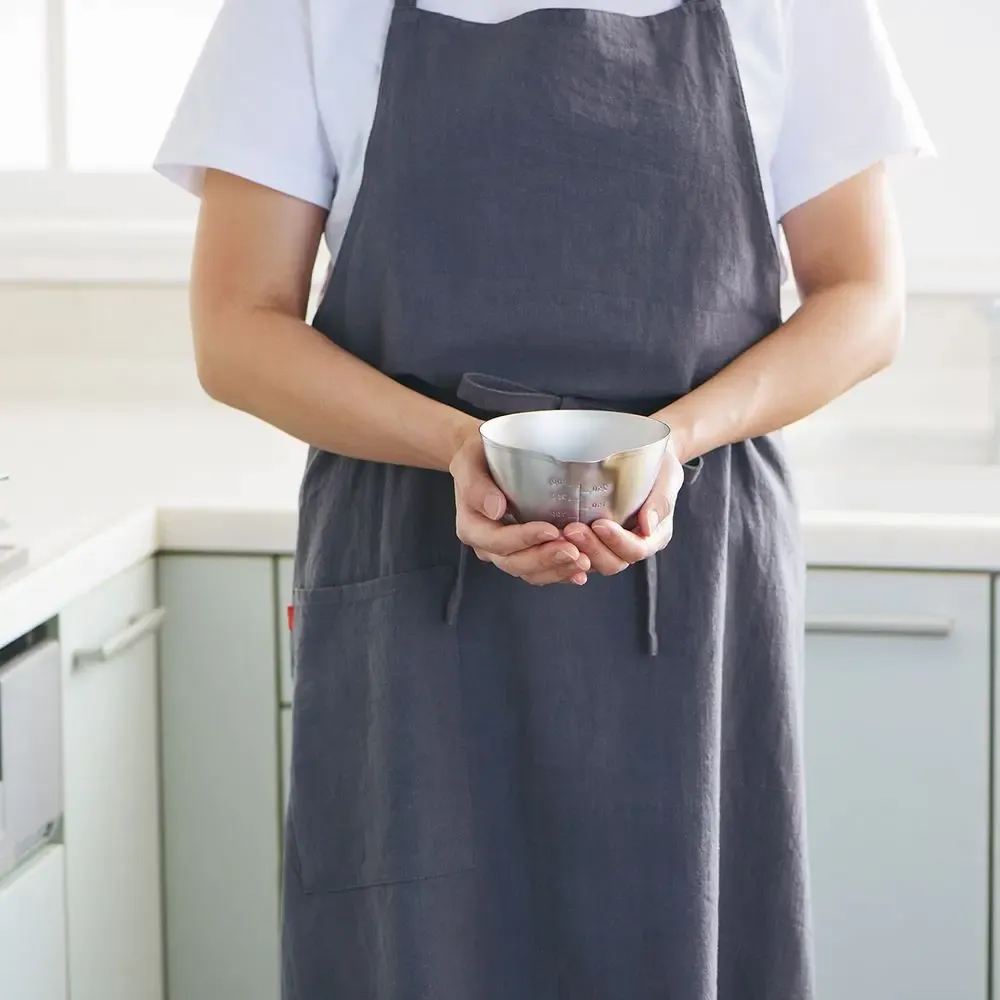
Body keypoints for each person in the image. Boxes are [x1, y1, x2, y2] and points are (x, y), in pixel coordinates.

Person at [156, 0, 931, 996]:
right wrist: (454, 447)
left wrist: (672, 443)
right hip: (412, 566)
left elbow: (864, 298)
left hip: (692, 571)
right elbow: (235, 324)